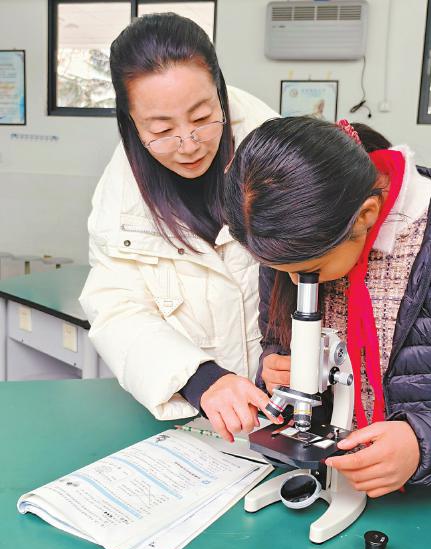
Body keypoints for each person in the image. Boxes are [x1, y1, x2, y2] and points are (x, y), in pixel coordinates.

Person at [223, 116, 431, 549]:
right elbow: (277, 336)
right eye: (279, 270)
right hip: (333, 471)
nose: (293, 282)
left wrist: (421, 442)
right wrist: (277, 363)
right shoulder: (286, 241)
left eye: (309, 270)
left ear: (365, 216)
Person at [79, 13, 281, 439]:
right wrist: (198, 377)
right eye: (162, 129)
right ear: (131, 122)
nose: (189, 144)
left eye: (202, 117)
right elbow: (116, 308)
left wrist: (295, 352)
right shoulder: (119, 204)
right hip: (194, 421)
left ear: (220, 92)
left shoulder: (280, 161)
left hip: (289, 411)